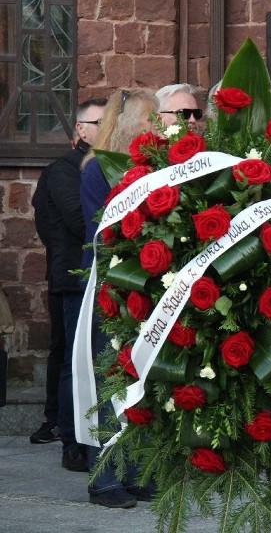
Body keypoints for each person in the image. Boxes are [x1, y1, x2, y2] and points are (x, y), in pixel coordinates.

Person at [79, 88, 160, 508]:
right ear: (128, 123)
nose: (158, 126)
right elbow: (104, 230)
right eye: (150, 119)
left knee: (138, 384)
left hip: (141, 286)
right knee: (108, 381)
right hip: (109, 288)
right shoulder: (98, 170)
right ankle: (104, 478)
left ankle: (135, 471)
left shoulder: (149, 166)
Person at [30, 99, 106, 464]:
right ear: (80, 129)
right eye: (99, 122)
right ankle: (72, 443)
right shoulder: (64, 170)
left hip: (86, 273)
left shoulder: (98, 164)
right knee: (72, 362)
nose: (106, 128)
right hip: (71, 277)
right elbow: (80, 221)